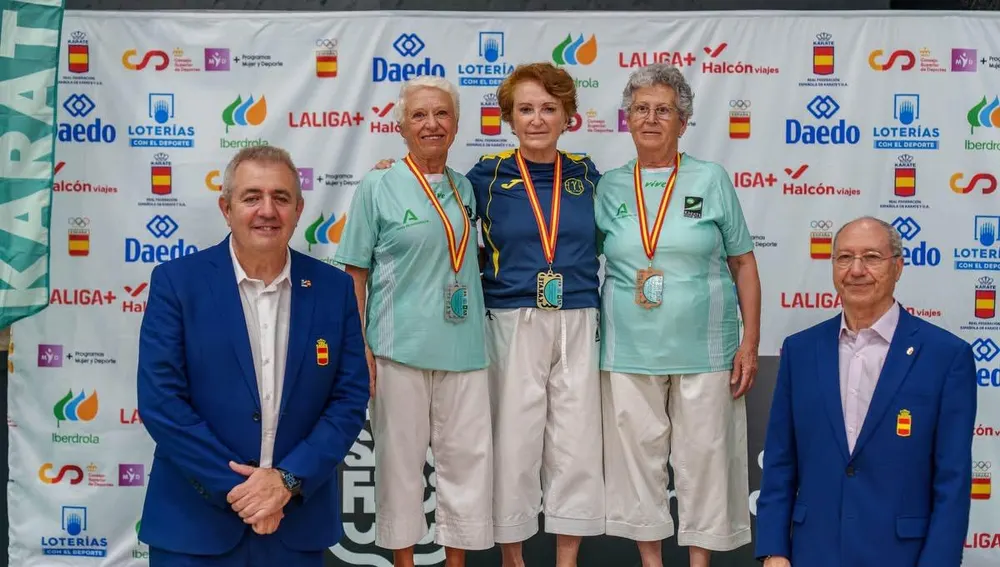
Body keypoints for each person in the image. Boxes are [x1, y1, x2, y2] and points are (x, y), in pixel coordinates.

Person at [136, 145, 370, 567]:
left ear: (299, 210)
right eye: (251, 197)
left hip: (294, 524)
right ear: (226, 208)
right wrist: (246, 492)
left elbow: (349, 400)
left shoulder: (334, 290)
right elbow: (162, 404)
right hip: (193, 527)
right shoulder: (176, 283)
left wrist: (286, 482)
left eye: (281, 198)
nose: (267, 210)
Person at [594, 62, 760, 567]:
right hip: (628, 348)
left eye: (663, 109)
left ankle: (700, 563)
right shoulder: (608, 186)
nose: (650, 118)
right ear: (627, 119)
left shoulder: (711, 178)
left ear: (683, 122)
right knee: (637, 462)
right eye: (640, 109)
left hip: (707, 349)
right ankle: (651, 562)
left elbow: (744, 262)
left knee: (705, 460)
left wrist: (749, 342)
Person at [335, 76, 493, 567]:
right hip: (397, 349)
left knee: (466, 468)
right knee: (400, 469)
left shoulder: (466, 186)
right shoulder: (378, 184)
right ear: (401, 126)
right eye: (420, 115)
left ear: (457, 124)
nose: (431, 124)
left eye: (442, 114)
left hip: (465, 349)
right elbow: (355, 275)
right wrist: (359, 345)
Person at [755, 216, 977, 567]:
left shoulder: (946, 356)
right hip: (813, 554)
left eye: (871, 257)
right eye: (844, 258)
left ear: (898, 266)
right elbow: (781, 462)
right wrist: (774, 550)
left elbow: (952, 480)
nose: (856, 270)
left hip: (902, 556)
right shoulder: (800, 351)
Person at [466, 62, 605, 567]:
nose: (537, 119)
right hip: (510, 317)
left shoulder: (590, 176)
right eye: (525, 109)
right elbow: (436, 206)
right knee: (515, 442)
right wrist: (387, 175)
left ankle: (567, 560)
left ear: (569, 115)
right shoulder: (486, 176)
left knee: (576, 444)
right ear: (509, 117)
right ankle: (513, 558)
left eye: (549, 108)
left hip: (578, 316)